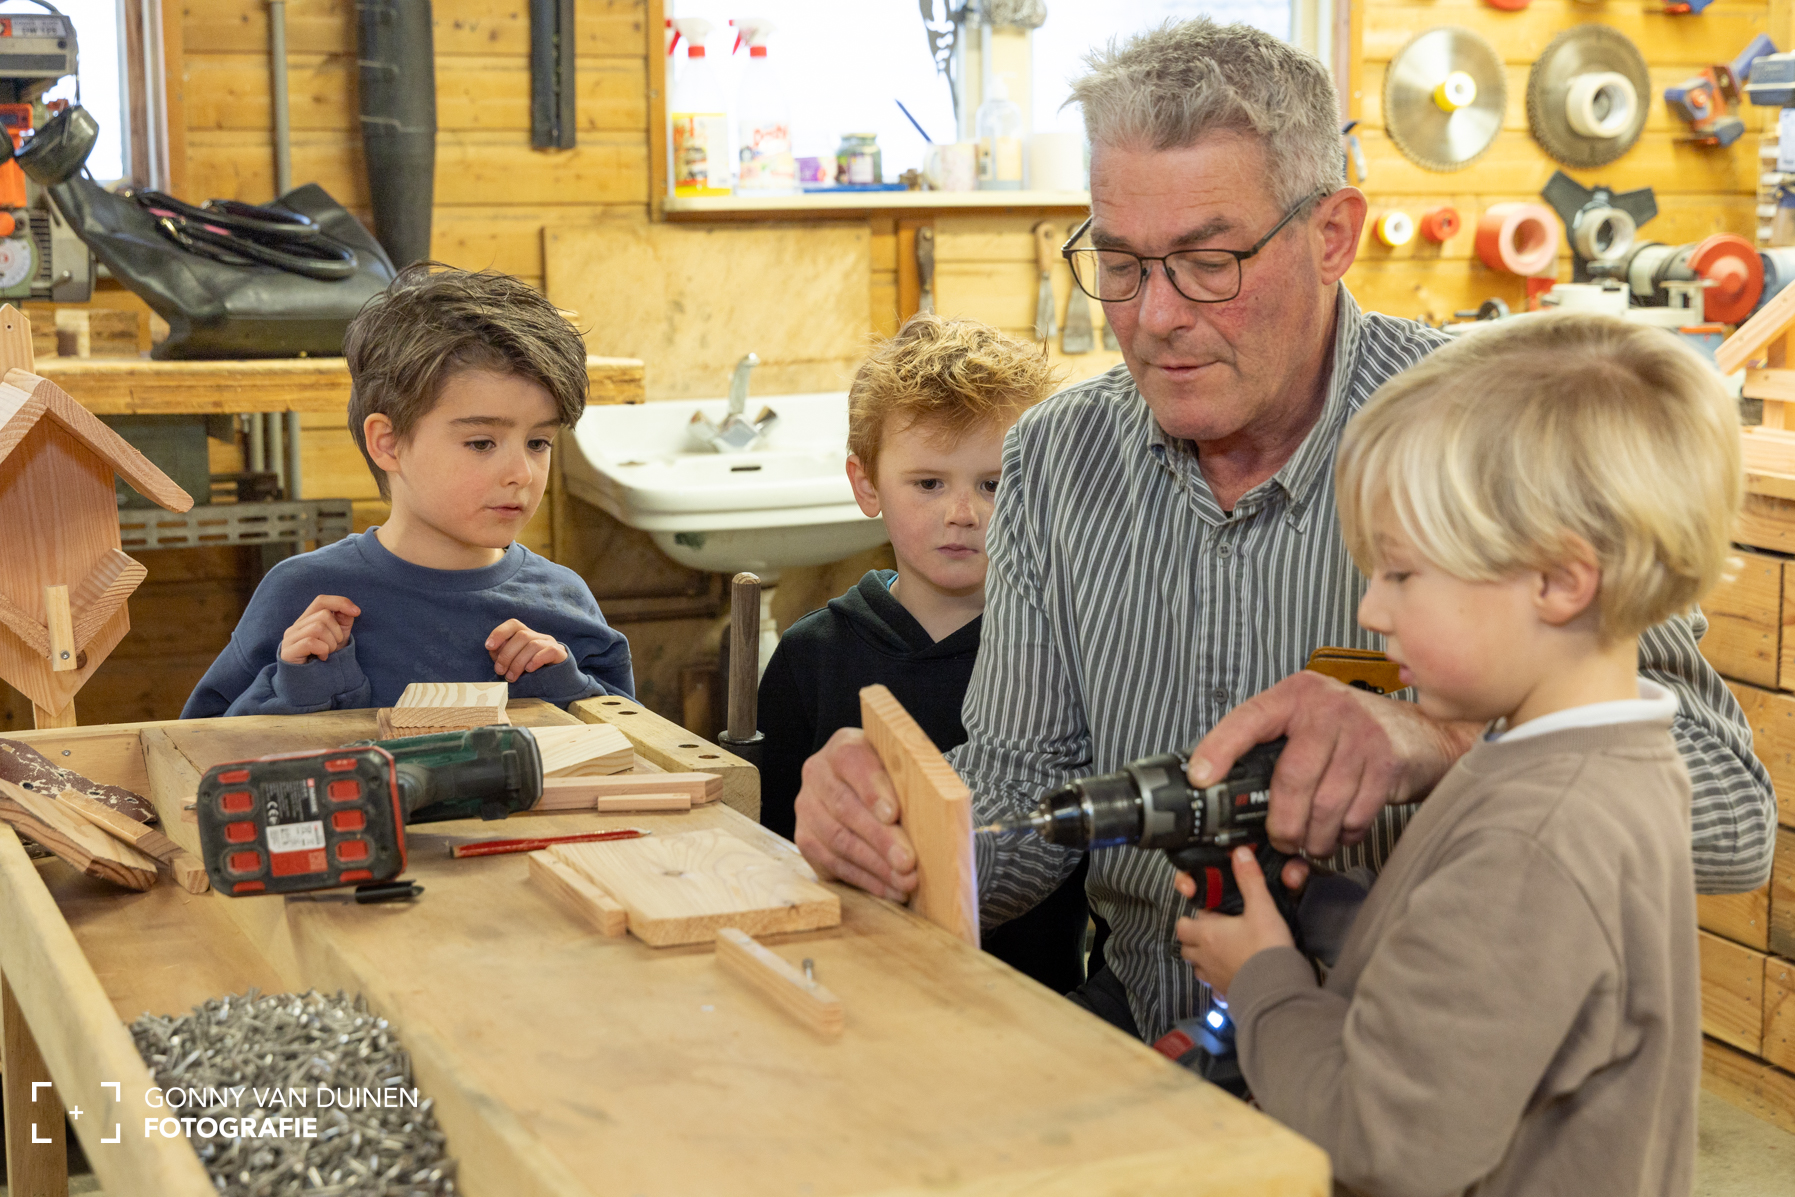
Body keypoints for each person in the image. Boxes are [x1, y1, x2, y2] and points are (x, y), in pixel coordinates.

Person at [789, 18, 1777, 1044]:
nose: (1154, 316)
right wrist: (900, 833)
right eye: (1119, 262)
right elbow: (1025, 792)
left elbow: (1728, 827)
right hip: (1157, 1042)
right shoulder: (1054, 459)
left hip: (1428, 1076)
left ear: (1333, 235)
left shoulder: (1500, 442)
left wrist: (1445, 740)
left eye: (1207, 261)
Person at [1180, 312, 1729, 1195]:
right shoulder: (1587, 760)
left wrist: (1263, 980)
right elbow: (1498, 988)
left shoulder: (1538, 831)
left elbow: (1386, 1140)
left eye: (1400, 573)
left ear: (1556, 579)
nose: (1370, 611)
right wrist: (1317, 914)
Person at [757, 314, 1090, 993]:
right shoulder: (808, 656)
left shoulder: (1067, 657)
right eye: (929, 483)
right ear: (866, 483)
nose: (963, 512)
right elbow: (773, 849)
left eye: (993, 483)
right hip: (850, 986)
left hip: (1034, 1003)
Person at [183, 264, 633, 718]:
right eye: (481, 443)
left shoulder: (563, 599)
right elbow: (195, 754)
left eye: (538, 443)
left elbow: (644, 751)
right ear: (388, 443)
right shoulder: (300, 593)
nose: (522, 473)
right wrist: (300, 691)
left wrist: (565, 693)